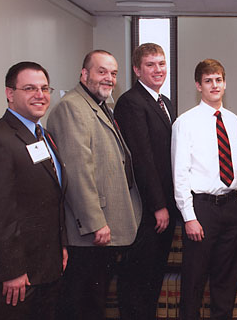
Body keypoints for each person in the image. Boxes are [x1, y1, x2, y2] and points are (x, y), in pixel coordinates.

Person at [47, 50, 142, 320]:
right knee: (82, 303)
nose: (109, 78)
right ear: (84, 74)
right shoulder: (71, 108)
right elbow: (77, 170)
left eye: (113, 73)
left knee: (94, 302)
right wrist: (95, 222)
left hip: (104, 227)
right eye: (102, 71)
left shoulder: (101, 108)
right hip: (89, 233)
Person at [0, 61, 66, 319]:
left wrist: (62, 245)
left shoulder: (44, 136)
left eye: (45, 88)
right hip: (16, 278)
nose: (40, 95)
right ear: (9, 94)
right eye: (29, 88)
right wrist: (11, 270)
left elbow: (52, 197)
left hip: (47, 267)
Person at [171, 59, 237, 320]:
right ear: (198, 85)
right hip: (202, 209)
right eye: (208, 81)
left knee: (227, 280)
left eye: (218, 80)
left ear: (224, 83)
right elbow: (179, 172)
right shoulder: (185, 122)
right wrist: (189, 217)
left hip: (232, 208)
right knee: (194, 280)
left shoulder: (233, 119)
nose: (214, 85)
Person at [114, 43, 179, 319]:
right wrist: (158, 205)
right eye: (150, 65)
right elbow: (142, 159)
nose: (158, 70)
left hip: (164, 206)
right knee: (137, 280)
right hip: (146, 211)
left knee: (153, 277)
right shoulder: (131, 102)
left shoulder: (164, 102)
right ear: (137, 69)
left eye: (161, 63)